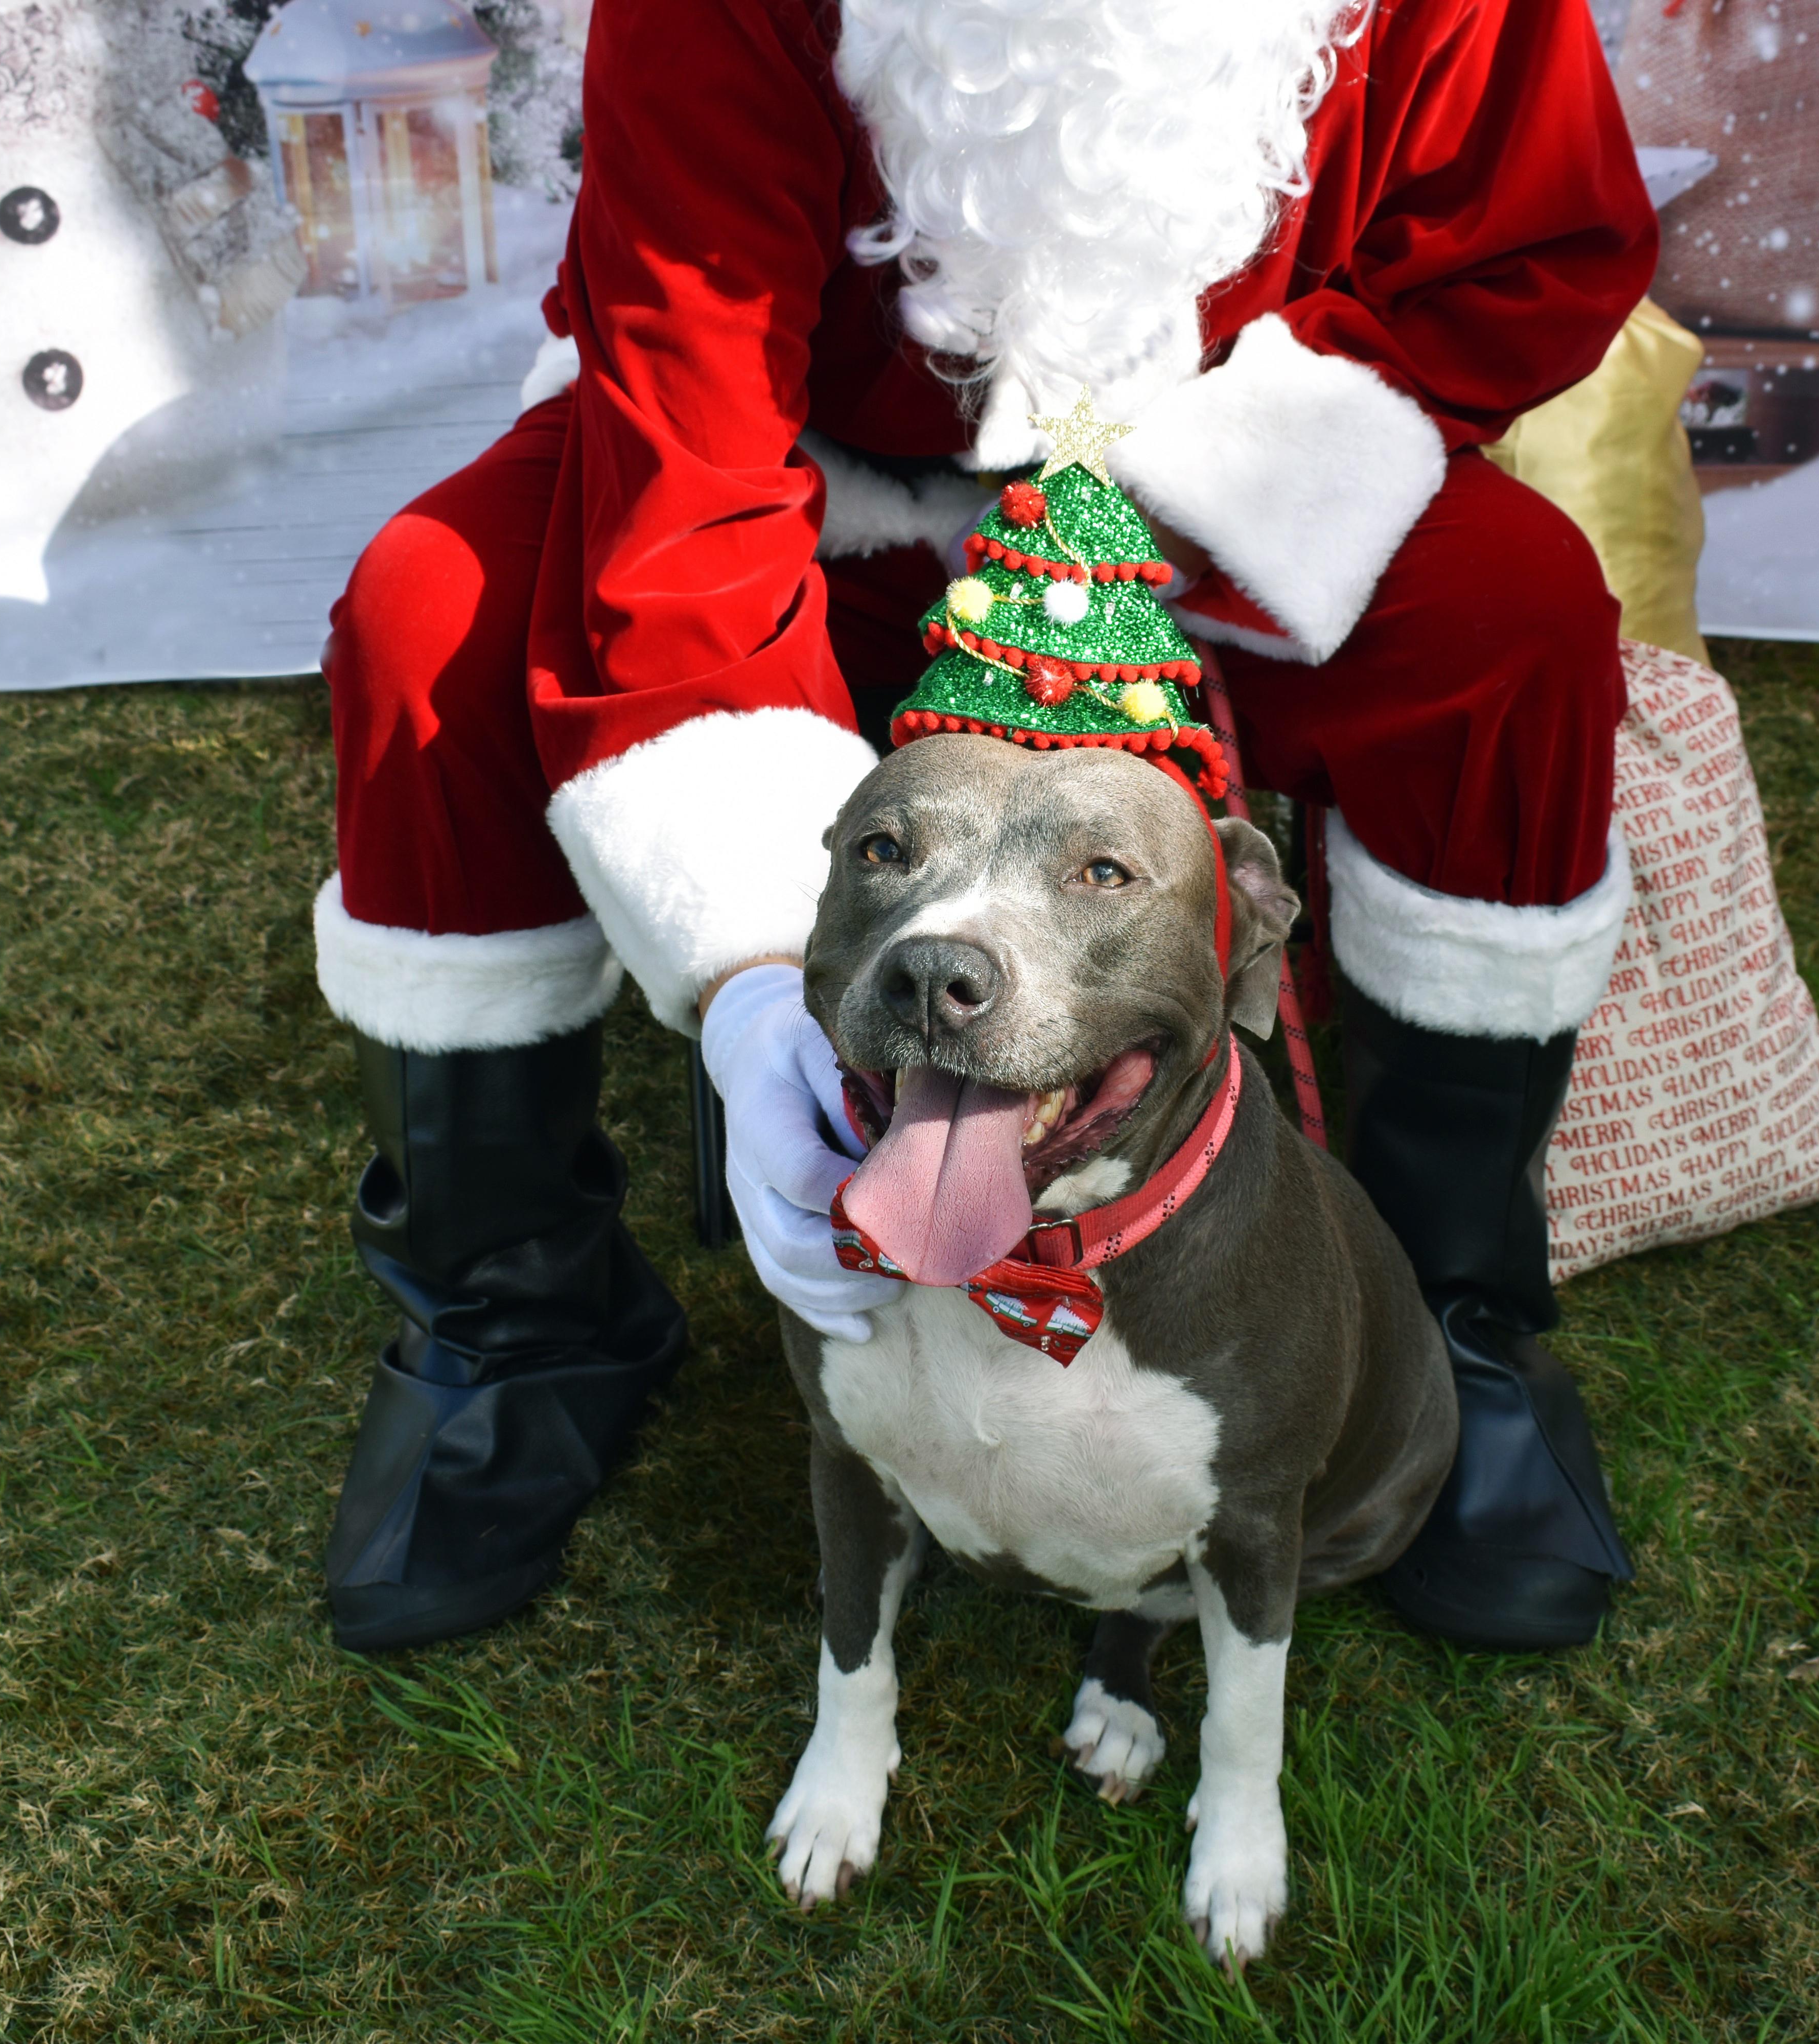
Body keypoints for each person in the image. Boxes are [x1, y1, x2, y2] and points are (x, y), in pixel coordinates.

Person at [311, 0, 1657, 1656]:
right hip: (808, 489)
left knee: (1512, 620)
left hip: (1204, 500)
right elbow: (687, 435)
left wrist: (1172, 505)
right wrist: (750, 981)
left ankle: (1444, 1306)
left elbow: (1521, 256)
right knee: (429, 613)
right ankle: (515, 1320)